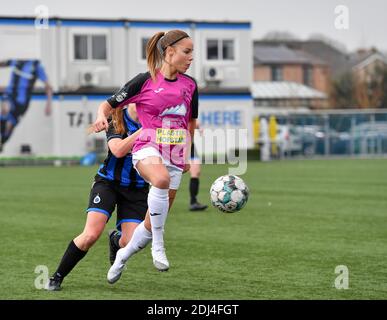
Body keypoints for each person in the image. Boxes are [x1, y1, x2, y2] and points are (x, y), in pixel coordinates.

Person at [93, 29, 197, 282]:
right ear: (169, 52)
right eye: (187, 51)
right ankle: (159, 245)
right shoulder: (144, 81)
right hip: (146, 148)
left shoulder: (191, 85)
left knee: (150, 225)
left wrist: (186, 154)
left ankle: (122, 256)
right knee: (160, 180)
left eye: (193, 51)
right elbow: (107, 105)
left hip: (174, 153)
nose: (192, 57)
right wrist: (99, 117)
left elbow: (190, 123)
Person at [46, 104, 148, 291]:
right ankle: (57, 276)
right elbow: (118, 150)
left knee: (131, 242)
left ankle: (115, 240)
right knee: (90, 235)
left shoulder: (157, 121)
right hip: (108, 183)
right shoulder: (116, 118)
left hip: (138, 189)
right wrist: (145, 130)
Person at [0, 59, 52, 148]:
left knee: (10, 126)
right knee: (5, 109)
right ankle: (1, 138)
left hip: (22, 103)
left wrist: (48, 104)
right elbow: (4, 63)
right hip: (10, 95)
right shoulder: (17, 61)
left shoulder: (37, 67)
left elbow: (48, 86)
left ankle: (3, 142)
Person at [188, 121, 208, 211]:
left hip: (188, 144)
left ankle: (193, 202)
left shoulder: (187, 108)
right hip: (174, 143)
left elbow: (195, 122)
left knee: (196, 171)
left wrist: (197, 126)